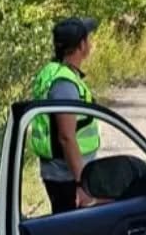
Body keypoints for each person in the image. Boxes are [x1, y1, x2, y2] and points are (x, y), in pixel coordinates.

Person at [30, 17, 101, 214]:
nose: (91, 42)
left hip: (60, 174)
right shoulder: (65, 84)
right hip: (67, 177)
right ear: (81, 45)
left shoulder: (52, 72)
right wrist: (82, 184)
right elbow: (66, 137)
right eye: (88, 38)